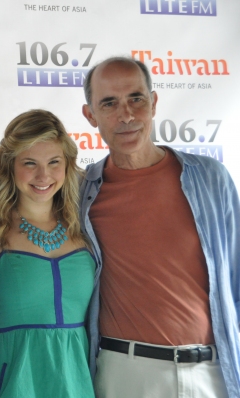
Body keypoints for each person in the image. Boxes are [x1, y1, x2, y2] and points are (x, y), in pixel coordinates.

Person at [80, 56, 240, 397]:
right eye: (109, 103)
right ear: (90, 115)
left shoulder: (211, 180)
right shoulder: (79, 194)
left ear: (153, 103)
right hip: (125, 374)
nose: (126, 115)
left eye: (136, 98)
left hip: (211, 375)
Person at [0, 109, 96, 397]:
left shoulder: (87, 229)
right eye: (30, 163)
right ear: (10, 166)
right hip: (11, 381)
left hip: (76, 380)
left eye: (54, 162)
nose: (43, 175)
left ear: (67, 165)